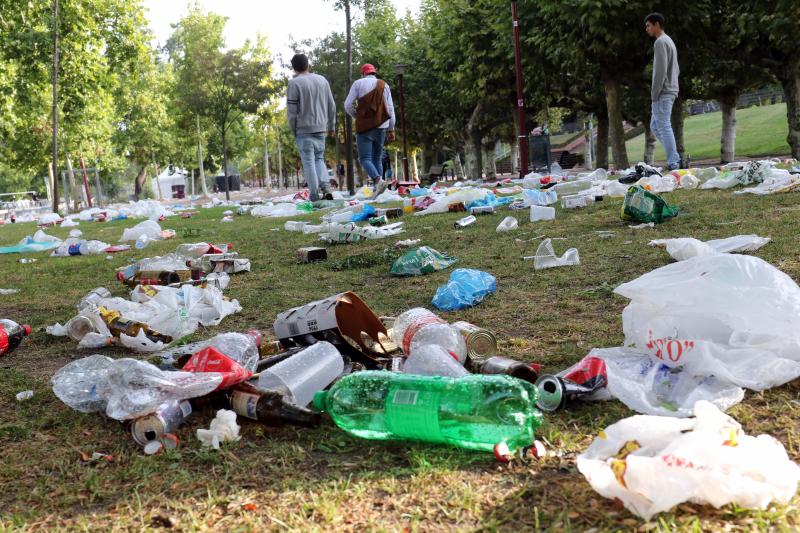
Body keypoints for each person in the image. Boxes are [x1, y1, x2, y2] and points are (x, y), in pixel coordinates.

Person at [286, 53, 336, 201]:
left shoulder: (294, 84)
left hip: (303, 129)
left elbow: (292, 112)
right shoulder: (322, 80)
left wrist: (293, 130)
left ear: (294, 68)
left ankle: (314, 195)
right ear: (308, 65)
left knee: (308, 161)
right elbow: (331, 106)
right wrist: (331, 126)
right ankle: (326, 187)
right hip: (321, 128)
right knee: (319, 159)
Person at [344, 64, 396, 197]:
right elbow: (390, 108)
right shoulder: (384, 85)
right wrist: (391, 128)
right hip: (382, 126)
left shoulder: (358, 84)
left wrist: (358, 116)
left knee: (364, 158)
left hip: (365, 127)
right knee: (377, 158)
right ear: (374, 73)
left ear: (363, 74)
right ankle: (378, 192)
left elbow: (348, 105)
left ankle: (378, 181)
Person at [645, 12, 681, 170]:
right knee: (655, 125)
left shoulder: (660, 42)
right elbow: (676, 69)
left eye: (648, 25)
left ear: (657, 24)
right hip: (671, 89)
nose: (646, 29)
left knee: (664, 126)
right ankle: (674, 156)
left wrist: (654, 93)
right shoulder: (669, 41)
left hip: (663, 92)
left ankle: (674, 161)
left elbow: (660, 71)